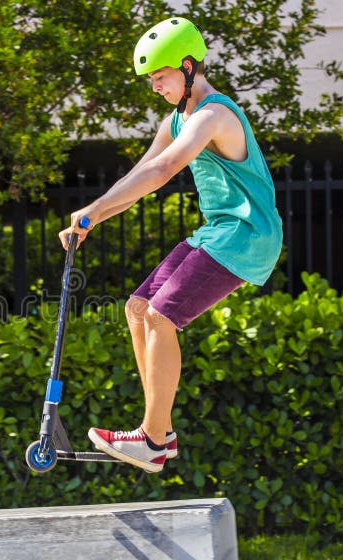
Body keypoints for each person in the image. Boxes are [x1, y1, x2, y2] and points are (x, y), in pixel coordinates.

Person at [58, 16, 282, 472]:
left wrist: (95, 213)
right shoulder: (178, 118)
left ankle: (152, 438)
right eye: (152, 80)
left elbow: (164, 173)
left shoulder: (213, 114)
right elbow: (141, 172)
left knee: (162, 315)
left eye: (160, 78)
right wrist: (93, 215)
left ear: (187, 66)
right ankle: (159, 434)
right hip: (219, 232)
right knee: (138, 309)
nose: (155, 87)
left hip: (247, 234)